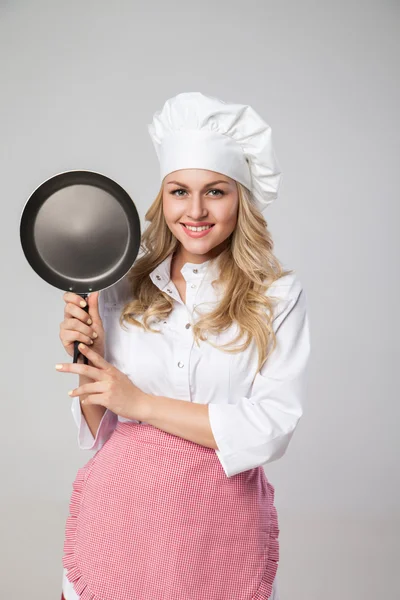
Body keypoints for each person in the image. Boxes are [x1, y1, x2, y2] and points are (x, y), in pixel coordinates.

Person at [59, 91, 311, 600]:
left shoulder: (277, 296)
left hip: (221, 531)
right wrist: (90, 359)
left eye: (215, 191)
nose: (195, 210)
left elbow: (271, 427)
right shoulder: (118, 286)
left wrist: (141, 404)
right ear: (162, 198)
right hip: (120, 521)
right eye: (179, 191)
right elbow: (103, 429)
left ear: (241, 197)